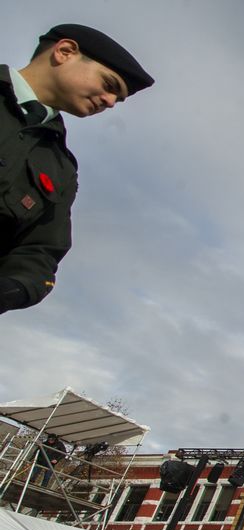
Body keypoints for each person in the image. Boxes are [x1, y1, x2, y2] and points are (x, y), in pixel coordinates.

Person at [1, 24, 153, 315]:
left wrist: (14, 288)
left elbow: (39, 252)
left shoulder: (60, 168)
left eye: (118, 100)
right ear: (65, 52)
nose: (110, 102)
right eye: (109, 85)